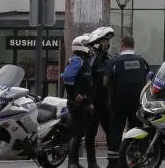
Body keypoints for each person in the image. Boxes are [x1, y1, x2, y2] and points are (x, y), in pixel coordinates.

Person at [103, 36, 149, 168]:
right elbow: (147, 81)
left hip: (119, 101)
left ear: (121, 45)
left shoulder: (114, 61)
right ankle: (136, 158)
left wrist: (113, 91)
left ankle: (113, 163)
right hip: (137, 102)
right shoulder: (142, 61)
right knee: (137, 129)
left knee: (116, 129)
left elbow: (105, 82)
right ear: (133, 45)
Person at [62, 34, 96, 168]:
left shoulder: (84, 60)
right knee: (77, 133)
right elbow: (67, 77)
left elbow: (87, 84)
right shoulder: (77, 60)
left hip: (83, 102)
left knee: (80, 132)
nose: (90, 48)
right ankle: (72, 162)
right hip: (77, 103)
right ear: (80, 46)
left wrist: (88, 101)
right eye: (87, 45)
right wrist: (74, 95)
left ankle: (74, 162)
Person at [84, 26, 115, 168]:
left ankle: (112, 163)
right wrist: (88, 101)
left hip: (106, 103)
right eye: (103, 41)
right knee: (91, 134)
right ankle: (92, 164)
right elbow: (86, 82)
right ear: (96, 43)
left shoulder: (109, 59)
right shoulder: (90, 60)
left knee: (111, 133)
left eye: (107, 41)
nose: (107, 44)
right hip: (93, 103)